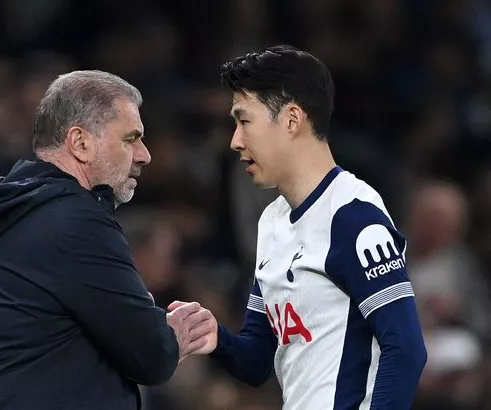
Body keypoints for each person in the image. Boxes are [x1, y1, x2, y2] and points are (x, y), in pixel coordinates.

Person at [170, 45, 427, 409]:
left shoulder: (353, 216)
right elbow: (259, 359)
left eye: (245, 121)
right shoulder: (271, 221)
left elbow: (405, 349)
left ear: (292, 119)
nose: (235, 141)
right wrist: (216, 338)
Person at [0, 70, 214, 410]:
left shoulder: (7, 215)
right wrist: (173, 332)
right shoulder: (78, 220)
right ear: (80, 142)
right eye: (130, 139)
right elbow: (151, 353)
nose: (144, 154)